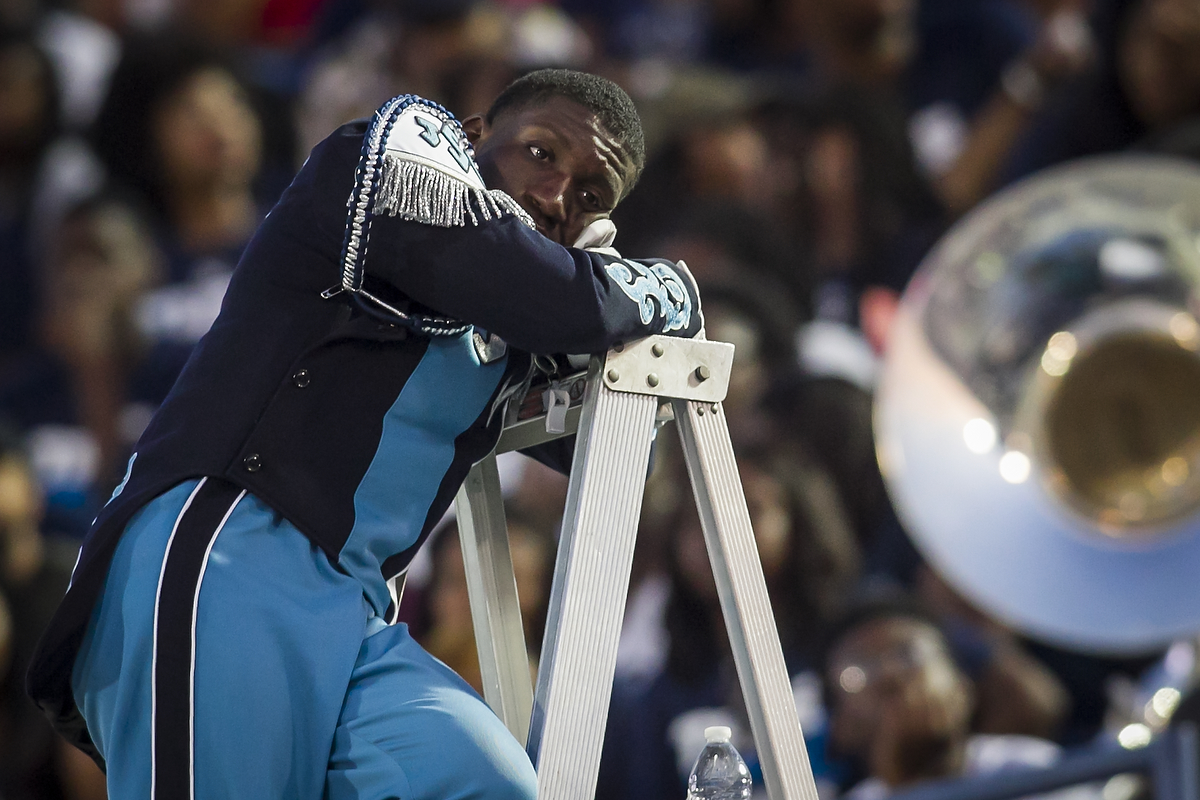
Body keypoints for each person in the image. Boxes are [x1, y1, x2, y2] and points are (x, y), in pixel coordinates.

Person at [27, 68, 702, 799]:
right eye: (540, 154)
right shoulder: (388, 159)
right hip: (225, 555)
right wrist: (658, 292)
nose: (555, 196)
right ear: (475, 133)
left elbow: (619, 442)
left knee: (486, 782)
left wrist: (598, 300)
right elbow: (555, 293)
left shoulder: (519, 315)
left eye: (590, 197)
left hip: (353, 614)